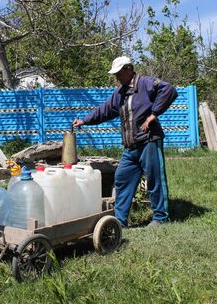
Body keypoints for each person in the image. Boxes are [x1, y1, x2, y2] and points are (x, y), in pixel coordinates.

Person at [72, 56, 177, 228]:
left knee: (154, 179)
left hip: (149, 142)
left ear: (128, 69)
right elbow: (105, 110)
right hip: (131, 146)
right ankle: (120, 222)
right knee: (121, 178)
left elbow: (169, 90)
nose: (117, 77)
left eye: (119, 73)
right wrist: (85, 120)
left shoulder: (145, 83)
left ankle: (160, 218)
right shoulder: (120, 93)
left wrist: (153, 114)